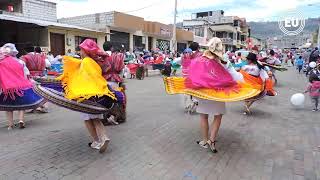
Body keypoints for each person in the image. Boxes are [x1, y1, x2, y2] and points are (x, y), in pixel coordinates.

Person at [58, 39, 116, 153]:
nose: (80, 52)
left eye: (81, 49)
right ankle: (104, 138)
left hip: (86, 96)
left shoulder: (85, 62)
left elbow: (81, 78)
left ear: (85, 51)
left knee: (87, 119)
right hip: (98, 96)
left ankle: (96, 141)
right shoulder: (94, 62)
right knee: (97, 119)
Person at [0, 43, 44, 130]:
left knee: (8, 107)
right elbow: (26, 74)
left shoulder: (1, 63)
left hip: (7, 88)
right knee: (22, 105)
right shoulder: (20, 62)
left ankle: (10, 125)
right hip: (21, 85)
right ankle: (21, 120)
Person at [21, 47, 51, 113]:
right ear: (34, 50)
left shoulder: (24, 57)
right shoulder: (42, 56)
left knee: (31, 91)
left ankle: (32, 107)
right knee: (43, 91)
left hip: (30, 77)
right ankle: (44, 107)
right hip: (42, 76)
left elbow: (21, 66)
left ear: (25, 51)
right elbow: (48, 64)